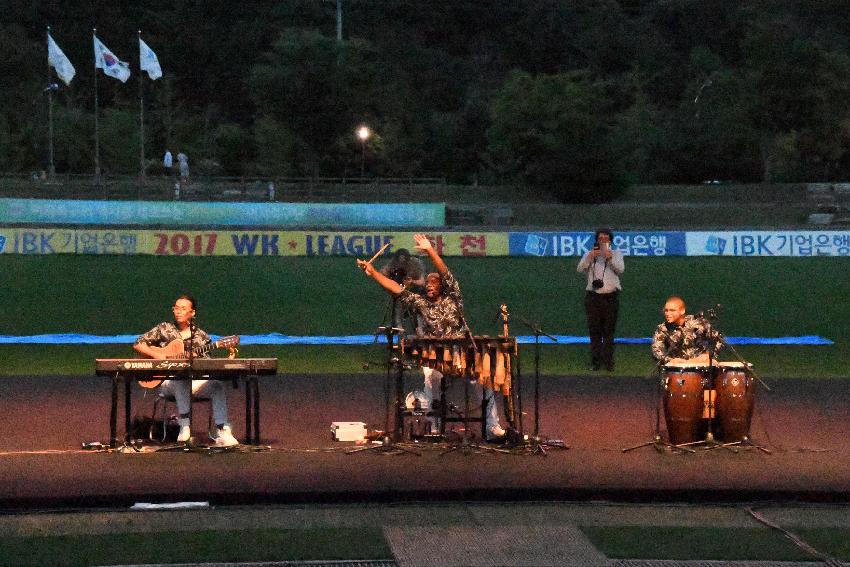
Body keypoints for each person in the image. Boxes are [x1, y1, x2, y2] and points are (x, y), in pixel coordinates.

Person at [357, 234, 506, 441]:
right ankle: (434, 427)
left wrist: (430, 251)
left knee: (483, 380)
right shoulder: (421, 303)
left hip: (461, 351)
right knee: (430, 378)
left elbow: (446, 273)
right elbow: (396, 289)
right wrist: (373, 272)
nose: (429, 285)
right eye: (427, 283)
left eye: (434, 282)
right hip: (435, 355)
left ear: (442, 287)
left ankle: (492, 427)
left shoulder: (453, 298)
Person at [133, 295, 239, 447]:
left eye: (183, 309)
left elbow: (207, 366)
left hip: (193, 382)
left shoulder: (201, 337)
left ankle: (222, 430)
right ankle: (184, 425)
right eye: (176, 308)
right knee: (180, 379)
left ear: (192, 313)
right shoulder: (164, 328)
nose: (178, 312)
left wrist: (197, 359)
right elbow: (138, 344)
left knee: (216, 386)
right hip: (167, 383)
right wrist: (158, 356)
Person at [576, 228, 624, 371]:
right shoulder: (589, 254)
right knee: (594, 331)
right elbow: (580, 268)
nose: (603, 241)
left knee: (609, 332)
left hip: (610, 297)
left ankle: (608, 362)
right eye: (600, 238)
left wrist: (609, 258)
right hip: (593, 297)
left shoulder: (616, 254)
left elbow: (620, 270)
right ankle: (596, 362)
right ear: (596, 240)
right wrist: (590, 257)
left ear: (610, 241)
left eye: (606, 238)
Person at [651, 296, 724, 365]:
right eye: (666, 310)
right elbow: (656, 351)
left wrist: (709, 355)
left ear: (682, 311)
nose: (667, 313)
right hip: (678, 371)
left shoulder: (698, 322)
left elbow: (719, 340)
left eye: (672, 310)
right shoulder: (662, 329)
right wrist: (670, 360)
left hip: (701, 368)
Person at [379, 248, 426, 332]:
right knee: (398, 302)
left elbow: (422, 282)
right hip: (400, 295)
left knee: (418, 310)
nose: (402, 263)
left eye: (404, 261)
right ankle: (398, 327)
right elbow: (382, 276)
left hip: (417, 294)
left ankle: (420, 329)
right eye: (399, 261)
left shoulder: (415, 264)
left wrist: (412, 282)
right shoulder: (392, 265)